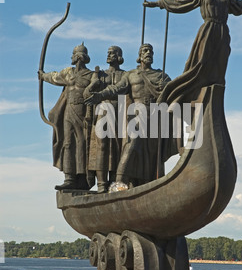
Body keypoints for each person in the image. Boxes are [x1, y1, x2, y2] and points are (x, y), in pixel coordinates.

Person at [144, 0, 242, 105]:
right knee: (200, 64)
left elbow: (237, 4)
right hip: (208, 30)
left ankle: (214, 102)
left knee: (220, 67)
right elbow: (180, 1)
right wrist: (158, 3)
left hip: (223, 32)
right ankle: (177, 97)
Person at [85, 43, 173, 187]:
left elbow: (174, 92)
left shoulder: (161, 76)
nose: (148, 53)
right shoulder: (131, 75)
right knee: (131, 147)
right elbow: (116, 89)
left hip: (155, 116)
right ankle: (119, 183)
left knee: (152, 153)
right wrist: (100, 95)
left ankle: (147, 184)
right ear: (139, 56)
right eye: (145, 51)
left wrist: (166, 89)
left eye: (151, 51)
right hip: (137, 114)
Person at [38, 42, 94, 190]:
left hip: (83, 113)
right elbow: (55, 77)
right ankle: (69, 178)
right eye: (75, 55)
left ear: (82, 57)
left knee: (82, 143)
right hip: (68, 110)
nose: (75, 58)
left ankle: (82, 178)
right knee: (68, 143)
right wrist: (43, 76)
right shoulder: (68, 73)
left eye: (77, 55)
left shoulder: (90, 75)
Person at [84, 46, 126, 193]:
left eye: (112, 53)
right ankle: (102, 183)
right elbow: (86, 94)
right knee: (101, 147)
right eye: (108, 52)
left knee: (117, 148)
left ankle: (114, 183)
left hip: (120, 112)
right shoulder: (100, 74)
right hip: (102, 111)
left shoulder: (125, 75)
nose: (109, 55)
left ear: (119, 56)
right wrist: (94, 83)